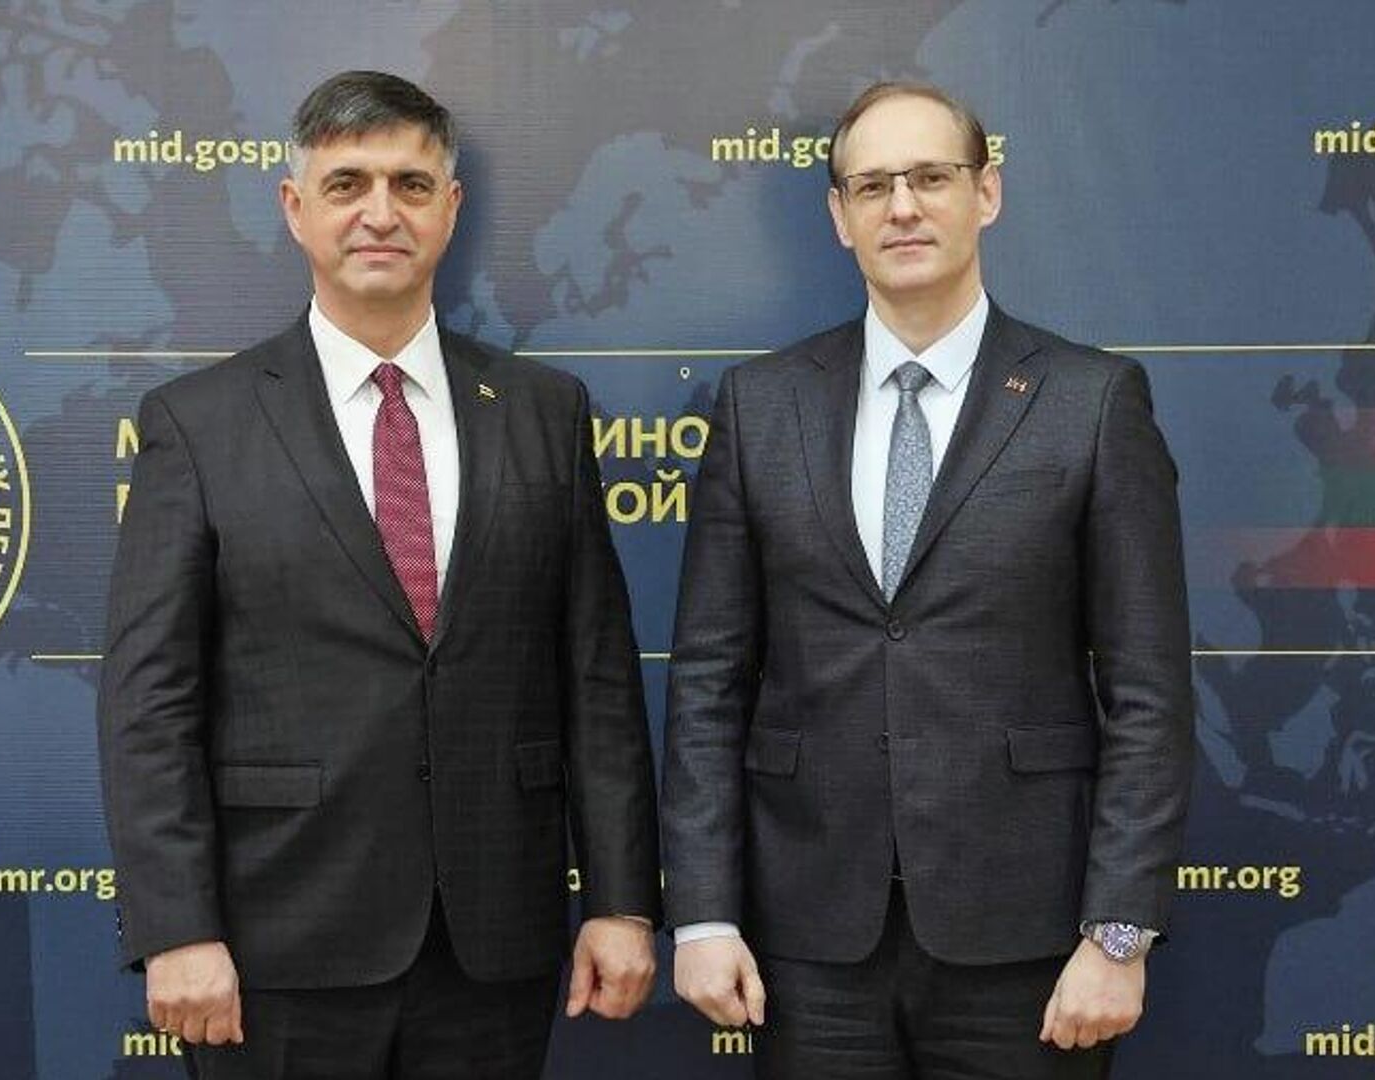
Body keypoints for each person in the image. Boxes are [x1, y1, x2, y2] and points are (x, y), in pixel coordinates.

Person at [98, 70, 660, 1080]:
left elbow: (598, 683)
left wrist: (620, 901)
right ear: (295, 208)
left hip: (493, 947)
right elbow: (151, 703)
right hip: (275, 946)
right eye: (347, 183)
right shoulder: (199, 424)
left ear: (451, 207)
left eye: (410, 184)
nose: (379, 212)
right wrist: (176, 927)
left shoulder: (544, 412)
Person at [661, 80, 1194, 1079]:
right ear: (839, 216)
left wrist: (1119, 935)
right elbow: (708, 682)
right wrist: (701, 914)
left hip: (1031, 943)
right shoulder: (759, 405)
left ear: (986, 193)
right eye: (873, 186)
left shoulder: (1091, 402)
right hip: (808, 942)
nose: (902, 207)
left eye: (930, 178)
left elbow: (1149, 693)